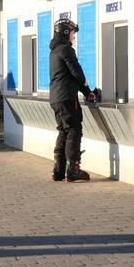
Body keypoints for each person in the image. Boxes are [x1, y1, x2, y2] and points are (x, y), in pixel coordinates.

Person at [49, 18, 98, 182]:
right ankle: (73, 170)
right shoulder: (66, 49)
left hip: (56, 98)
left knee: (63, 131)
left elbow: (70, 76)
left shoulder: (54, 51)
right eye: (72, 33)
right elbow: (77, 73)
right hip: (67, 98)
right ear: (65, 33)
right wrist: (87, 89)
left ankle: (58, 171)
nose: (74, 36)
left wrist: (87, 92)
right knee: (74, 130)